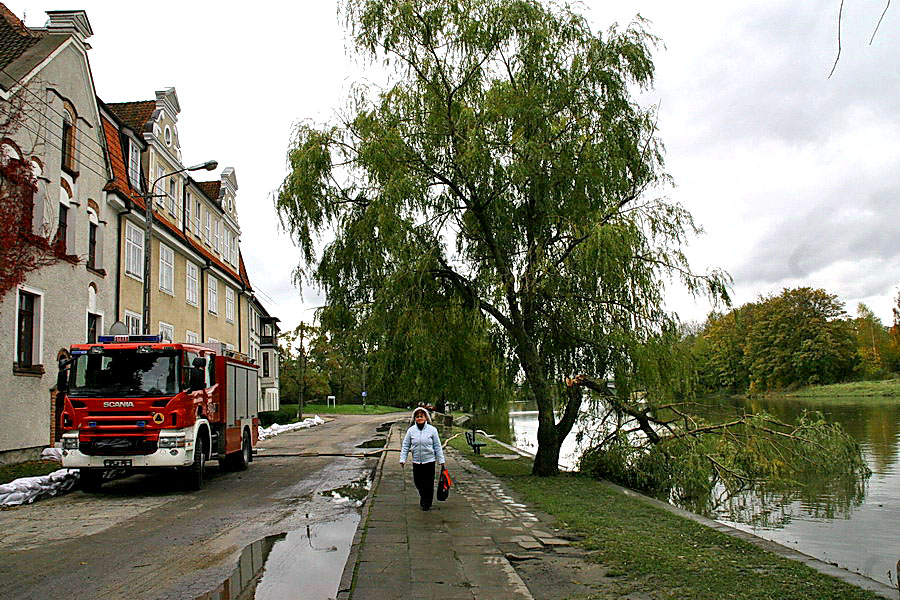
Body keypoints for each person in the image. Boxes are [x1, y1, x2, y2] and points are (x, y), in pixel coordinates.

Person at [399, 406, 445, 511]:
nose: (419, 418)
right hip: (416, 461)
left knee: (428, 483)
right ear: (415, 418)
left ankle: (426, 502)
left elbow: (437, 446)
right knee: (418, 482)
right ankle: (424, 497)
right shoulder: (411, 431)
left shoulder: (432, 430)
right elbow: (406, 445)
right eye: (417, 416)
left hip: (429, 461)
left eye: (421, 416)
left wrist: (441, 460)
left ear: (426, 418)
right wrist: (403, 458)